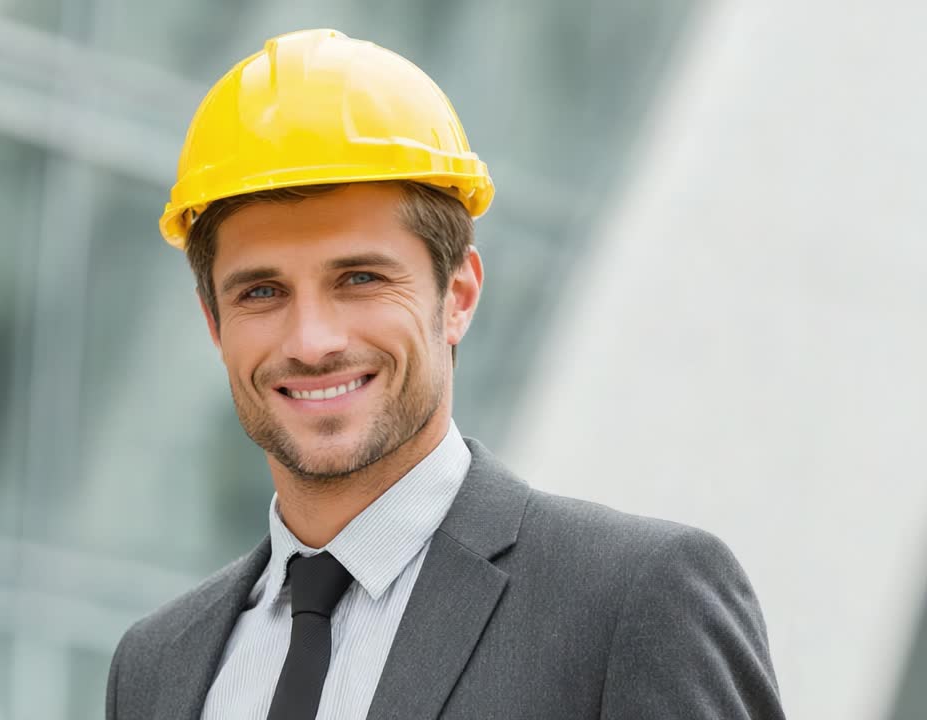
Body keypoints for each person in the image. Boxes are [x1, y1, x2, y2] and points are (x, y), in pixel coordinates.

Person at [106, 29, 785, 720]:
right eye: (261, 292)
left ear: (457, 296)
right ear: (214, 322)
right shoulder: (157, 666)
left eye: (360, 278)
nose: (311, 342)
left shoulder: (634, 601)